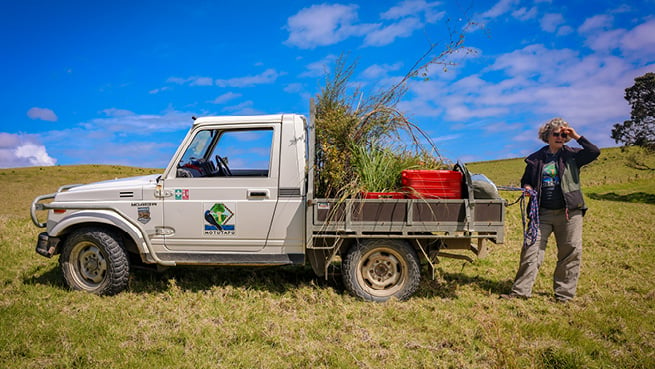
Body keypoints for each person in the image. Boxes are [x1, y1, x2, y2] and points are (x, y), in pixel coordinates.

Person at [501, 118, 600, 303]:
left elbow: (594, 151)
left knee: (570, 252)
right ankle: (520, 293)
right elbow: (526, 181)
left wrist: (576, 136)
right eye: (556, 134)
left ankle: (564, 296)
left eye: (563, 135)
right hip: (541, 213)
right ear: (547, 136)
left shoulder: (573, 155)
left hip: (569, 213)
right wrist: (528, 188)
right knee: (531, 250)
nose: (560, 137)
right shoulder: (535, 159)